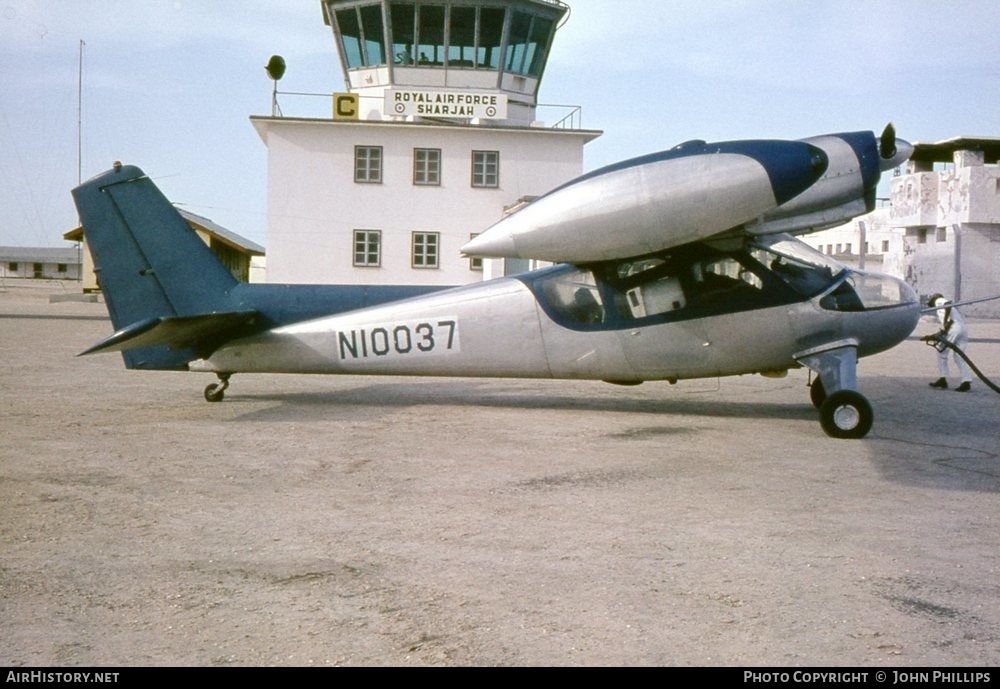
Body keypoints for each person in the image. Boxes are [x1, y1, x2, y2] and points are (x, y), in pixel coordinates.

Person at [926, 293, 973, 392]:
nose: (929, 300)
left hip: (954, 328)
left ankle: (943, 378)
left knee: (941, 353)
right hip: (962, 329)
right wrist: (933, 336)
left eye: (930, 298)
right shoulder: (941, 310)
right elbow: (945, 330)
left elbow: (948, 303)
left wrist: (945, 322)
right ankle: (966, 381)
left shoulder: (938, 300)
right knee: (959, 356)